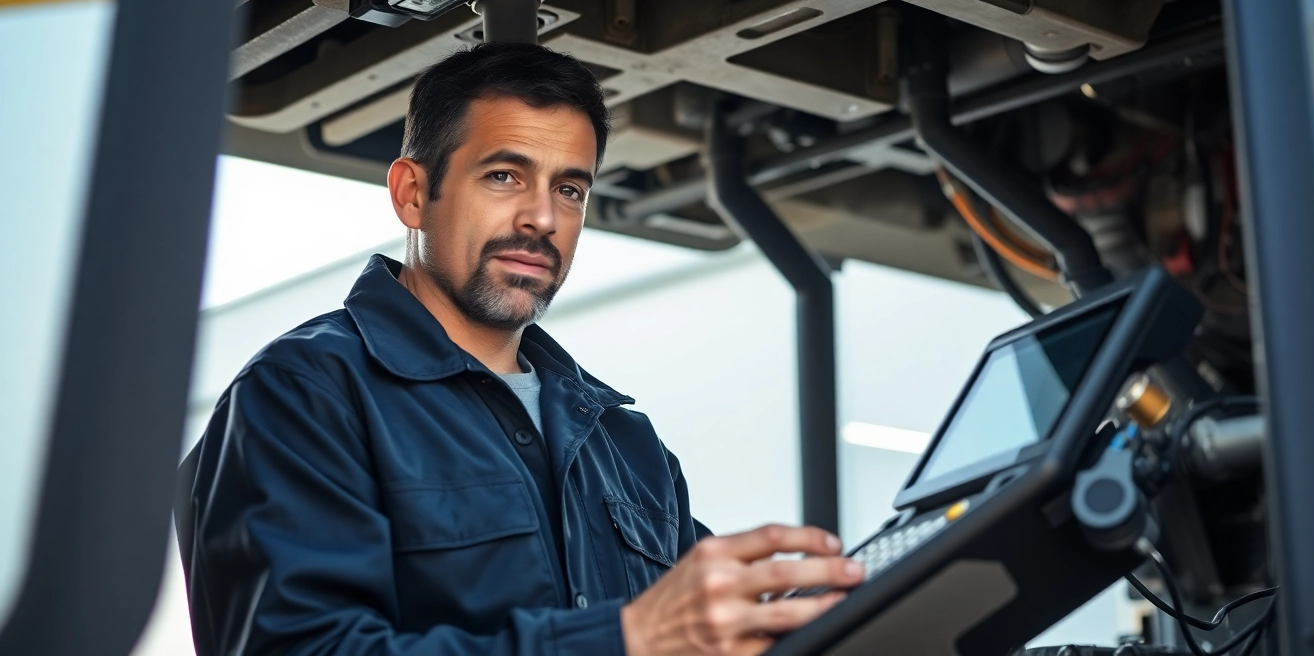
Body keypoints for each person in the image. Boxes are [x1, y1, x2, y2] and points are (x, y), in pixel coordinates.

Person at [181, 42, 864, 656]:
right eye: (504, 176)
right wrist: (622, 640)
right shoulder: (305, 393)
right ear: (413, 194)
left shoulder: (624, 442)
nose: (542, 218)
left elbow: (699, 629)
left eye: (569, 189)